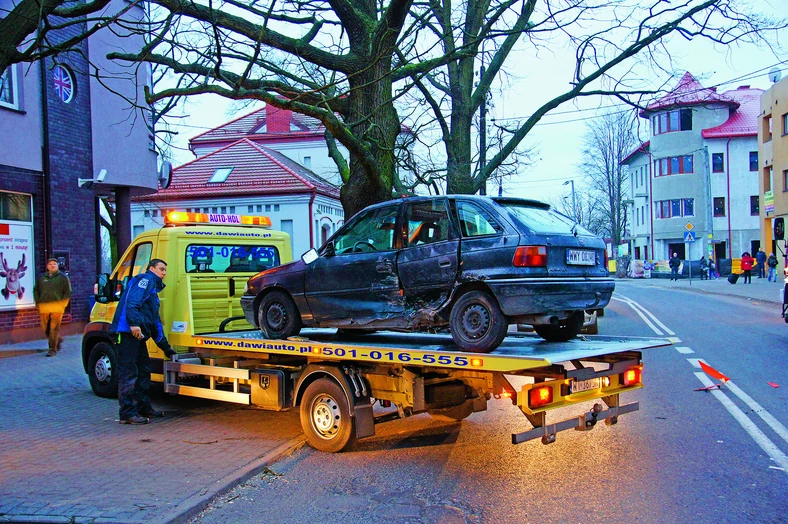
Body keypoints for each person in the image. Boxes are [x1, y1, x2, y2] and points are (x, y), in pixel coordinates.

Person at [110, 259, 176, 425]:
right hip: (127, 333)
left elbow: (154, 322)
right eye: (161, 269)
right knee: (129, 373)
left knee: (143, 370)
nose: (164, 273)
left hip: (136, 335)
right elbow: (132, 302)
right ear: (151, 269)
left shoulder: (152, 289)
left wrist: (166, 347)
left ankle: (143, 408)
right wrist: (133, 324)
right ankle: (127, 414)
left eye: (165, 270)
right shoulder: (144, 280)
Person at [33, 258, 72, 357]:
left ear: (57, 266)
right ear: (47, 266)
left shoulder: (63, 277)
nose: (52, 265)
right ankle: (57, 340)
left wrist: (63, 304)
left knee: (53, 329)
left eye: (54, 264)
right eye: (50, 264)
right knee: (45, 328)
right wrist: (38, 302)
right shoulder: (42, 278)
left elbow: (68, 292)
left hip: (57, 308)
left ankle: (52, 350)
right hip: (44, 307)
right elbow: (36, 290)